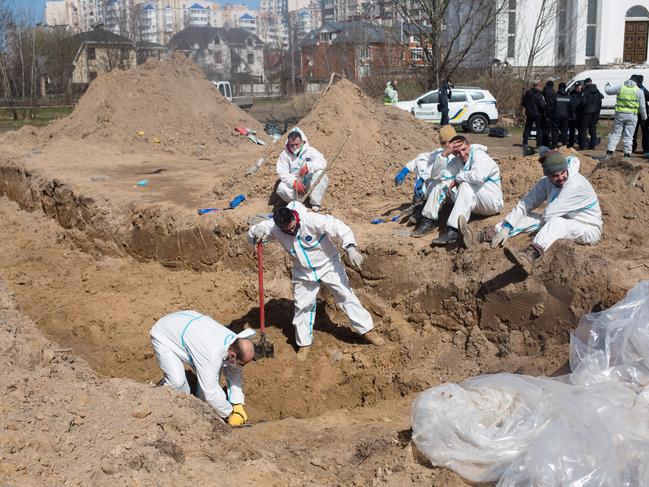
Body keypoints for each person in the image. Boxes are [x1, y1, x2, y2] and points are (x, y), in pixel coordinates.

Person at [248, 202, 384, 361]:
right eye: (287, 230)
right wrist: (255, 233)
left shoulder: (312, 220)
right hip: (302, 271)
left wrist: (351, 248)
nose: (291, 231)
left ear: (295, 218)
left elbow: (340, 227)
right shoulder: (274, 227)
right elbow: (252, 236)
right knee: (302, 306)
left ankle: (367, 330)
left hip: (328, 264)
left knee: (345, 295)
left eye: (293, 227)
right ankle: (304, 343)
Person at [459, 151, 601, 276]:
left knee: (555, 223)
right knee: (529, 216)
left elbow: (549, 215)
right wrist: (506, 227)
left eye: (562, 173)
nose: (561, 177)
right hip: (562, 217)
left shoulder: (575, 185)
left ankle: (529, 256)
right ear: (548, 175)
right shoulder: (547, 181)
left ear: (566, 169)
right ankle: (482, 236)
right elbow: (526, 203)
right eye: (555, 175)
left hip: (587, 227)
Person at [150, 311, 256, 426]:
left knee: (206, 393)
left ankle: (199, 413)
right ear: (233, 356)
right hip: (165, 334)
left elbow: (234, 372)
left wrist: (237, 403)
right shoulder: (212, 355)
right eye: (241, 364)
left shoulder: (234, 343)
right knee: (178, 384)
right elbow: (210, 391)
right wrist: (230, 414)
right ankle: (155, 402)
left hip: (187, 326)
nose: (241, 367)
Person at [420, 135, 503, 245]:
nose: (462, 154)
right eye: (457, 152)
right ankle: (429, 220)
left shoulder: (479, 155)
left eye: (464, 149)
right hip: (474, 204)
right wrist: (444, 155)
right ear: (453, 153)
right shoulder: (456, 161)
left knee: (465, 185)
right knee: (440, 182)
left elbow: (478, 176)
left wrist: (457, 179)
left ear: (469, 146)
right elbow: (436, 176)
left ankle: (453, 231)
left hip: (492, 203)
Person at [394, 125, 457, 226]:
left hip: (451, 192)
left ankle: (430, 218)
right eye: (443, 143)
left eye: (449, 141)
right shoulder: (439, 152)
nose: (446, 145)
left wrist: (423, 179)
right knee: (423, 163)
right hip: (436, 191)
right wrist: (405, 170)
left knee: (438, 180)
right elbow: (422, 158)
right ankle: (420, 205)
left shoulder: (459, 154)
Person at [276, 127, 328, 211]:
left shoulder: (310, 151)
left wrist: (309, 167)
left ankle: (315, 203)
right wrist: (294, 182)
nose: (294, 147)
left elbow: (323, 162)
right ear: (288, 143)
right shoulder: (284, 155)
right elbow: (282, 173)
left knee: (321, 174)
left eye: (297, 144)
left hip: (308, 181)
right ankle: (298, 203)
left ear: (302, 142)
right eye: (291, 145)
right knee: (281, 188)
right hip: (295, 184)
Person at [605, 75, 647, 159]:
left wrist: (607, 85)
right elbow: (642, 106)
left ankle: (609, 153)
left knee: (616, 134)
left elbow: (608, 91)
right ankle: (627, 155)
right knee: (628, 136)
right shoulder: (639, 91)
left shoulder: (621, 87)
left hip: (620, 115)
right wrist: (644, 117)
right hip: (632, 116)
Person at [522, 81, 546, 155]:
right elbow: (542, 105)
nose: (541, 88)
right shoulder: (538, 94)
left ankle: (525, 142)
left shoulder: (527, 94)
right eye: (541, 86)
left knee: (527, 128)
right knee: (539, 129)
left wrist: (528, 108)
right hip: (538, 114)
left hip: (529, 113)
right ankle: (539, 144)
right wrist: (545, 108)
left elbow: (523, 103)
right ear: (538, 86)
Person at [580, 78, 603, 150]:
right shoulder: (597, 91)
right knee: (593, 128)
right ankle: (592, 145)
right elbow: (601, 97)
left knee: (584, 129)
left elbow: (583, 102)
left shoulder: (586, 92)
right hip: (595, 112)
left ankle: (583, 145)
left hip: (587, 112)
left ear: (586, 83)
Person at [632, 74, 649, 156]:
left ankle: (632, 149)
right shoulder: (641, 88)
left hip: (634, 113)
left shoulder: (633, 87)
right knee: (645, 132)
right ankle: (646, 150)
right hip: (642, 114)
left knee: (633, 132)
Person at [551, 82, 571, 148]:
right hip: (565, 116)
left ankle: (554, 145)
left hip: (556, 116)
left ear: (559, 88)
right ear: (565, 88)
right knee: (564, 132)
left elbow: (550, 106)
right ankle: (564, 145)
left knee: (555, 131)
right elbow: (572, 107)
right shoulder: (568, 96)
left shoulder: (554, 96)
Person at [568, 83, 584, 148]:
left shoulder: (583, 94)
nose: (578, 88)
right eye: (577, 87)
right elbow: (570, 105)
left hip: (580, 116)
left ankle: (581, 144)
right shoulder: (571, 94)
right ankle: (571, 144)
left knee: (580, 131)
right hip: (572, 116)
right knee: (572, 131)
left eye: (579, 87)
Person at [541, 80, 556, 147]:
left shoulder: (543, 92)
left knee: (543, 128)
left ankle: (543, 142)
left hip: (543, 112)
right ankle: (547, 143)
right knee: (549, 129)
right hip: (550, 112)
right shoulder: (553, 92)